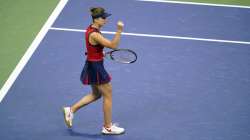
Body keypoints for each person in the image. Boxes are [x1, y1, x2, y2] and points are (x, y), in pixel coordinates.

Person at [63, 7, 125, 135]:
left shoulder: (90, 29)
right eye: (103, 18)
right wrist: (119, 30)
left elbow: (92, 47)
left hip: (92, 65)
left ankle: (71, 110)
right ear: (96, 19)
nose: (106, 20)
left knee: (96, 94)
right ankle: (107, 127)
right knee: (108, 94)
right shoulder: (95, 34)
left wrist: (99, 52)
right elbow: (113, 45)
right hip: (96, 67)